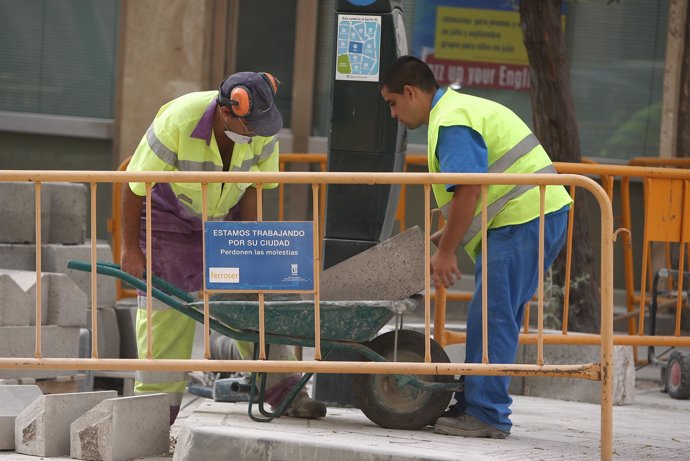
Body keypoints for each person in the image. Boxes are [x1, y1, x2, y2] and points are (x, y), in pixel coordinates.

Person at [380, 56, 572, 439]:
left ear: (410, 92)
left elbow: (469, 188)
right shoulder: (456, 110)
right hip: (530, 216)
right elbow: (478, 191)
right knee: (490, 316)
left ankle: (487, 415)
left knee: (493, 316)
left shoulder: (451, 121)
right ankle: (473, 403)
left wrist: (447, 251)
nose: (393, 115)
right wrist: (445, 238)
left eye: (392, 104)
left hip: (523, 219)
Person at [121, 71, 327, 424]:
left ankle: (283, 389)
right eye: (251, 127)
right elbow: (133, 183)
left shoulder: (262, 131)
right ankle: (156, 409)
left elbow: (252, 188)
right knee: (166, 310)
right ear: (227, 111)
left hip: (226, 216)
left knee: (254, 299)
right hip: (169, 222)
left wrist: (252, 249)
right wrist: (130, 249)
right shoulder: (178, 120)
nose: (258, 133)